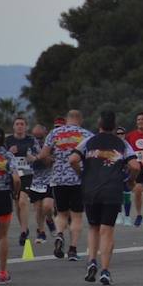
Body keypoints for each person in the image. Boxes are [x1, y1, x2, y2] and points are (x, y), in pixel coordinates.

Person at [70, 111, 140, 285]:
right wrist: (130, 180)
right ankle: (105, 270)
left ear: (99, 125)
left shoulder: (89, 141)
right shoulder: (122, 143)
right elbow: (135, 165)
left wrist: (82, 174)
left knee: (93, 227)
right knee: (107, 230)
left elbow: (72, 159)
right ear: (114, 127)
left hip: (90, 189)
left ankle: (92, 261)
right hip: (112, 190)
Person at [41, 109, 92, 262]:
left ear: (66, 119)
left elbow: (43, 155)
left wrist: (52, 160)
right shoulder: (86, 134)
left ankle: (60, 235)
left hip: (58, 179)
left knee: (61, 213)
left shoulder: (54, 133)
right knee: (76, 216)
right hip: (78, 179)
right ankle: (73, 249)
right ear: (80, 119)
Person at [4, 115, 39, 248]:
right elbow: (1, 156)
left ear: (26, 127)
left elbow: (39, 155)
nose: (19, 126)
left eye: (22, 124)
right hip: (13, 175)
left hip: (27, 174)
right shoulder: (8, 141)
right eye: (17, 124)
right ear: (13, 126)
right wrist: (9, 152)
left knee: (23, 201)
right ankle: (23, 227)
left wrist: (33, 158)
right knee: (17, 203)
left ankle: (24, 232)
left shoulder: (31, 140)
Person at [0, 127, 24, 283]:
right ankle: (2, 272)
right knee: (3, 236)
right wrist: (15, 193)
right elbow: (17, 179)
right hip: (2, 196)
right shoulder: (7, 155)